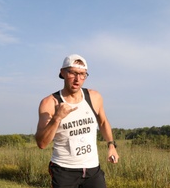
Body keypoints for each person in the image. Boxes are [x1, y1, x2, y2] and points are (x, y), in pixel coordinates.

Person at [35, 54, 119, 188]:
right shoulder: (49, 103)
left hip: (92, 169)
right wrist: (57, 118)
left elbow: (103, 122)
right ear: (62, 72)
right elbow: (41, 143)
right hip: (64, 169)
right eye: (73, 73)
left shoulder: (94, 97)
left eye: (82, 74)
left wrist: (111, 145)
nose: (77, 79)